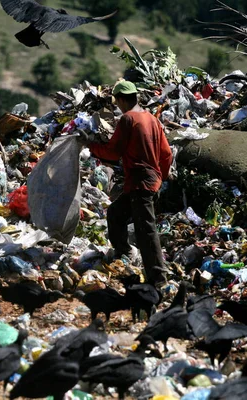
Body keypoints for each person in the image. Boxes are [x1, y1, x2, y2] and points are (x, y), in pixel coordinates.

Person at [86, 81, 173, 288]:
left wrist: (90, 145)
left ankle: (158, 279)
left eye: (117, 101)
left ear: (122, 100)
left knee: (146, 231)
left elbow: (113, 152)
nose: (117, 105)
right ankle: (124, 253)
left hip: (140, 184)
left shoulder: (128, 119)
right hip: (150, 182)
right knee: (115, 213)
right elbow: (167, 154)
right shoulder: (151, 118)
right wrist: (163, 176)